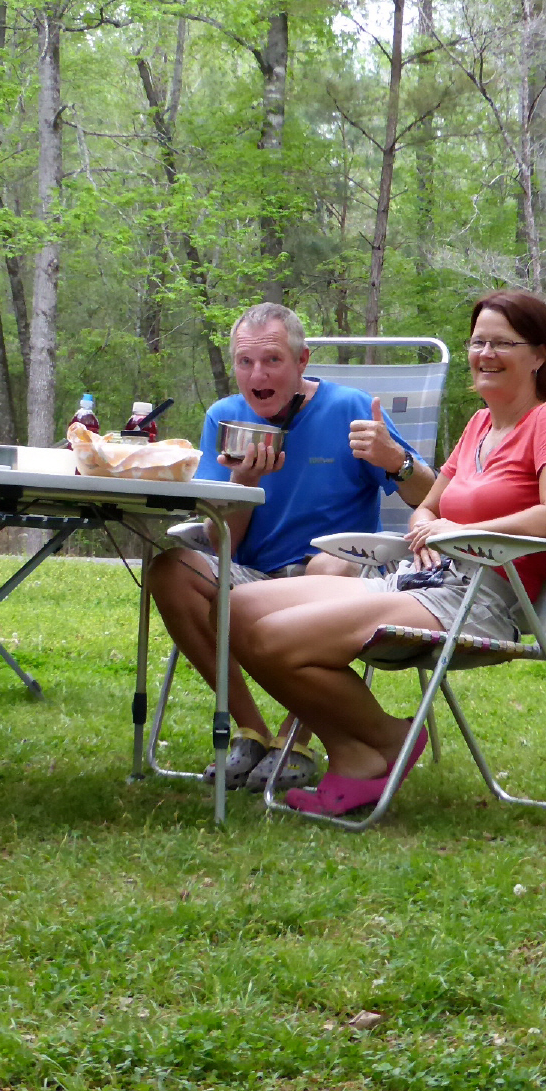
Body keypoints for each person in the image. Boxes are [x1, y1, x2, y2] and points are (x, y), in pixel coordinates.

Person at [227, 290, 546, 818]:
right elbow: (427, 507)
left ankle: (386, 742)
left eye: (502, 343)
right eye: (478, 342)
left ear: (539, 355)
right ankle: (357, 750)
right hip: (422, 578)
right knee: (237, 609)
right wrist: (425, 529)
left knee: (276, 636)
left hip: (480, 597)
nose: (485, 354)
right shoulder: (479, 426)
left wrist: (458, 531)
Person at [147, 302, 436, 790]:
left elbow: (431, 496)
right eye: (245, 362)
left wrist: (395, 461)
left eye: (272, 360)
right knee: (169, 570)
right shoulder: (225, 418)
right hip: (253, 577)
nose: (257, 375)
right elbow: (222, 543)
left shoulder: (348, 409)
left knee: (330, 565)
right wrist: (242, 484)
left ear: (302, 361)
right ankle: (251, 732)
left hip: (333, 575)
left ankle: (295, 738)